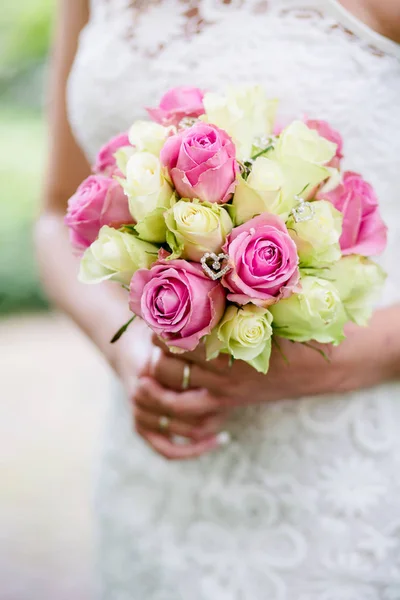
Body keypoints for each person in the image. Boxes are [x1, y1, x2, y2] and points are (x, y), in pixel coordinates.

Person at [36, 0, 400, 598]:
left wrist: (340, 363)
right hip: (155, 477)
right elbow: (55, 214)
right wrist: (130, 356)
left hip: (345, 485)